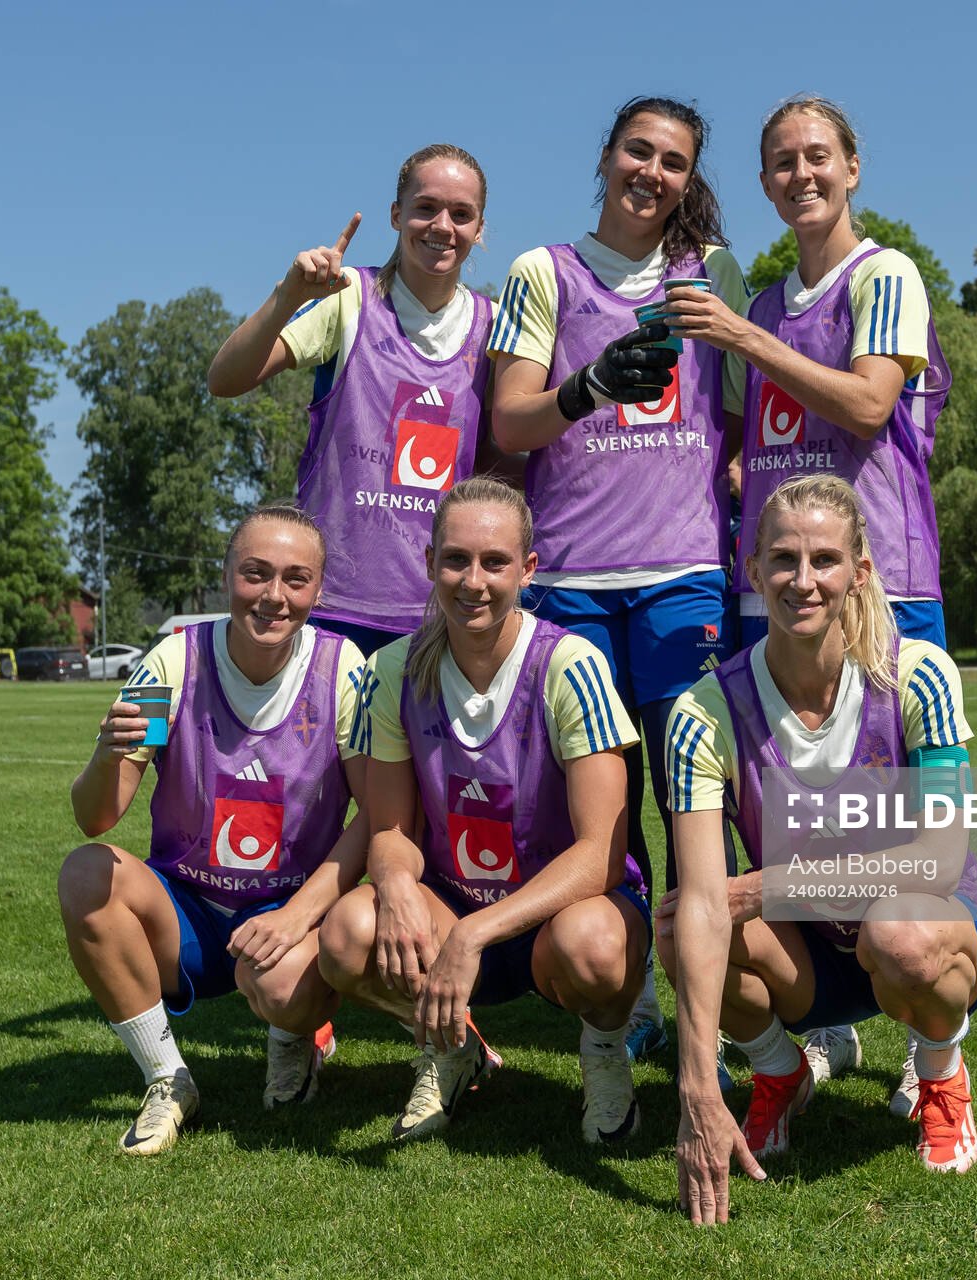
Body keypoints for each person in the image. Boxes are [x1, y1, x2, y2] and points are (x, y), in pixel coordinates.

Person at [657, 94, 952, 1088]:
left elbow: (869, 403)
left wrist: (743, 339)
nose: (800, 175)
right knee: (775, 808)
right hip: (774, 588)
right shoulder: (773, 297)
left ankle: (927, 1034)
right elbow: (747, 436)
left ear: (853, 167)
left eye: (816, 156)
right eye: (780, 162)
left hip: (882, 579)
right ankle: (812, 1012)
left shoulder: (886, 275)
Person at [659, 475, 977, 1225]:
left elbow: (938, 862)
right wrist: (695, 1090)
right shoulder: (703, 712)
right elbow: (709, 906)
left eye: (824, 560)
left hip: (924, 931)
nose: (803, 580)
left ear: (860, 573)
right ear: (751, 571)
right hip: (807, 958)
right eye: (782, 559)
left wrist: (763, 888)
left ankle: (941, 1072)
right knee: (680, 922)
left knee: (901, 929)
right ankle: (780, 1073)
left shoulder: (918, 675)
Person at [486, 96, 749, 1055]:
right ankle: (632, 995)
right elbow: (509, 425)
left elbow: (747, 400)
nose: (652, 172)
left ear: (688, 179)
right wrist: (588, 387)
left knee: (700, 793)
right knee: (608, 800)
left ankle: (721, 999)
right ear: (605, 157)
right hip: (573, 582)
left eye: (673, 161)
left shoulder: (712, 271)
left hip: (686, 575)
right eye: (638, 151)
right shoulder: (541, 272)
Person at [317, 476, 651, 1144]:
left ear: (528, 570)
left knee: (597, 947)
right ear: (429, 562)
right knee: (349, 934)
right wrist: (392, 882)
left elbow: (600, 856)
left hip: (560, 916)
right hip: (454, 904)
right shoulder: (391, 670)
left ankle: (605, 1056)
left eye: (494, 562)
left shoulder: (571, 665)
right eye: (456, 560)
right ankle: (450, 1047)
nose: (474, 581)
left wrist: (473, 935)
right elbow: (391, 828)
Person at [58, 505, 369, 1155]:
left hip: (291, 909)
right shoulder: (172, 659)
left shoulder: (344, 669)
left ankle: (293, 1040)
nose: (273, 597)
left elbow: (378, 816)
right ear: (225, 574)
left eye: (295, 578)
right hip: (190, 912)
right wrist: (107, 752)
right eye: (255, 573)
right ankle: (167, 1078)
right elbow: (97, 818)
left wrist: (299, 917)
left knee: (283, 987)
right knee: (86, 873)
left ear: (318, 588)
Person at [208, 144, 496, 656]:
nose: (442, 225)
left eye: (461, 214)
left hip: (441, 612)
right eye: (426, 207)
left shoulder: (493, 327)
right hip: (331, 604)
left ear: (479, 229)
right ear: (396, 215)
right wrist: (288, 296)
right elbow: (225, 379)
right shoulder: (350, 298)